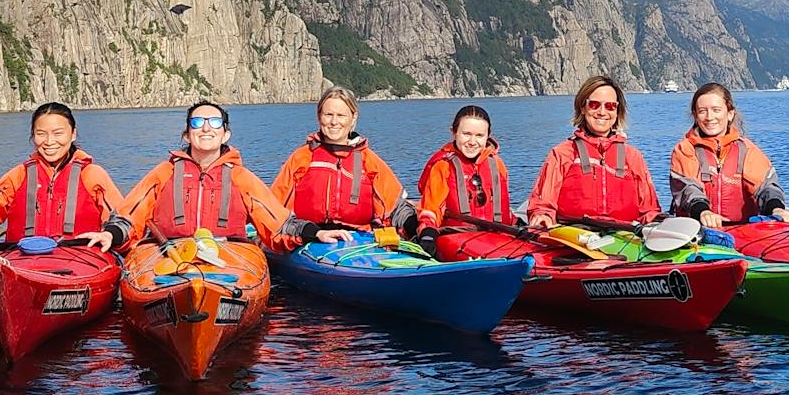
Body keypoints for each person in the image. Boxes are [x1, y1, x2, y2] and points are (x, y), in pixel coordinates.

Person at [109, 101, 310, 251]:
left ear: (225, 134)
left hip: (229, 254)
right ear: (187, 134)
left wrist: (313, 232)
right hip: (170, 251)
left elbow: (278, 223)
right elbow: (130, 216)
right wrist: (111, 234)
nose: (206, 128)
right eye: (197, 122)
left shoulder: (240, 177)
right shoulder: (164, 173)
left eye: (214, 122)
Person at [0, 102, 125, 249]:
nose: (49, 142)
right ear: (33, 136)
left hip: (82, 259)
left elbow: (121, 220)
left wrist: (110, 234)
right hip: (23, 260)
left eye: (58, 133)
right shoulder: (20, 175)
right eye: (41, 134)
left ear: (73, 134)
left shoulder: (92, 175)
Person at [271, 87, 418, 239]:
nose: (334, 122)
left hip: (359, 239)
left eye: (341, 115)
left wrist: (421, 230)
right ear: (319, 116)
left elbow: (396, 207)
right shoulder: (301, 158)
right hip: (309, 236)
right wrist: (311, 233)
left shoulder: (369, 160)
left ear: (353, 118)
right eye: (328, 115)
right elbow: (275, 210)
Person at [525, 74, 660, 229]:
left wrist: (658, 222)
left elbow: (649, 210)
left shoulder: (633, 157)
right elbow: (542, 205)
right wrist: (542, 216)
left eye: (610, 106)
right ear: (583, 107)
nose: (602, 112)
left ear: (617, 112)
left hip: (625, 236)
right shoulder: (562, 153)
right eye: (595, 105)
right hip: (574, 237)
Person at [668, 82, 787, 229]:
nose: (709, 117)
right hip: (698, 230)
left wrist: (776, 207)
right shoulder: (684, 149)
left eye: (716, 110)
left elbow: (766, 186)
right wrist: (703, 211)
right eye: (702, 111)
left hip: (744, 230)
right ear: (695, 115)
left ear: (730, 114)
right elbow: (688, 189)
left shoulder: (747, 150)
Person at [417, 104, 514, 231]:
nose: (472, 142)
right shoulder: (443, 166)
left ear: (488, 136)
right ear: (454, 132)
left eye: (479, 135)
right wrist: (427, 230)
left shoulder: (497, 164)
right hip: (457, 237)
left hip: (500, 235)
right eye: (466, 134)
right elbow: (431, 209)